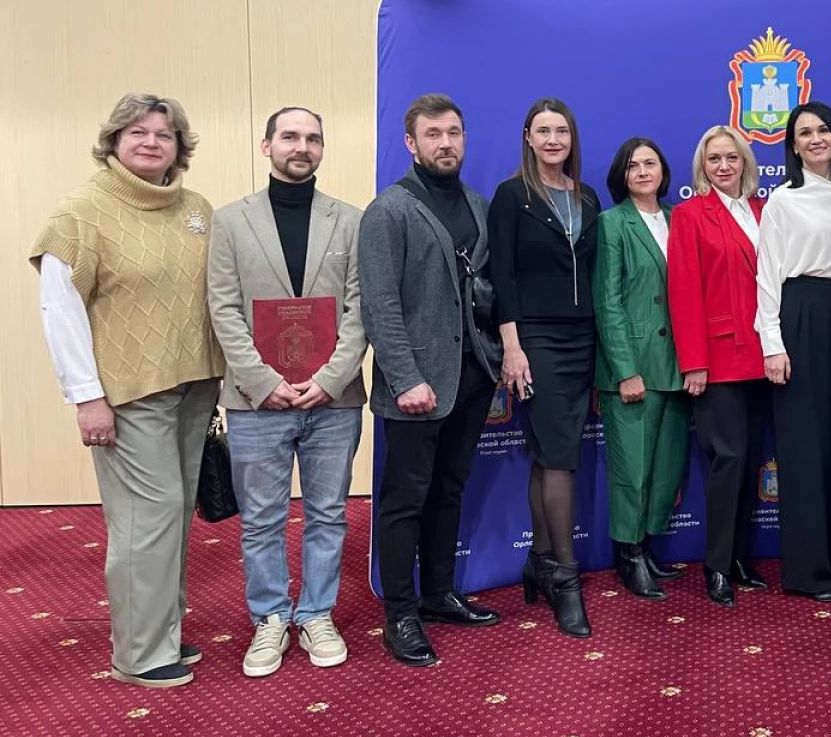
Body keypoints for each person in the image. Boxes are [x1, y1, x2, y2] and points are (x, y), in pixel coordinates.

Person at [30, 93, 224, 689]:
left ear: (179, 146)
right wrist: (86, 397)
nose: (151, 142)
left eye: (164, 134)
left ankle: (160, 630)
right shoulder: (82, 214)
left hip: (195, 385)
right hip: (128, 393)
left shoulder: (196, 209)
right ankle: (139, 655)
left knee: (175, 514)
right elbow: (60, 311)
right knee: (147, 518)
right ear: (113, 140)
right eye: (137, 131)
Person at [207, 107, 367, 677]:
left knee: (328, 514)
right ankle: (271, 617)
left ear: (322, 148)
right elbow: (223, 309)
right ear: (266, 145)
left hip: (334, 400)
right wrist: (264, 382)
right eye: (290, 137)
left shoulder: (351, 221)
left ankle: (316, 613)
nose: (302, 147)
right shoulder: (229, 222)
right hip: (257, 401)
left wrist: (328, 380)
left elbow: (360, 310)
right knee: (261, 519)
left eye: (313, 139)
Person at [360, 94, 504, 668]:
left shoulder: (478, 205)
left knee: (449, 489)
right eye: (433, 134)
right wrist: (405, 379)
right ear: (411, 143)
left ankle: (439, 594)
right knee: (405, 499)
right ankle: (400, 613)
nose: (446, 143)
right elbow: (380, 305)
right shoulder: (389, 211)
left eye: (454, 132)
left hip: (472, 375)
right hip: (416, 385)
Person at [490, 97, 602, 638]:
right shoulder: (512, 196)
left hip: (583, 338)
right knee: (560, 457)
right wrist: (512, 347)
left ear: (572, 138)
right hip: (535, 339)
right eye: (543, 131)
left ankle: (539, 560)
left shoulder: (588, 196)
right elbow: (502, 276)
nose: (553, 139)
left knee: (547, 453)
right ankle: (566, 577)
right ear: (528, 138)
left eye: (562, 130)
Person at [757, 101, 831, 601]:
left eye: (823, 129)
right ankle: (809, 571)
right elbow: (767, 276)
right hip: (800, 314)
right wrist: (772, 344)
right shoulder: (783, 200)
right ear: (794, 145)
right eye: (804, 133)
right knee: (803, 446)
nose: (815, 139)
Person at [667, 126, 770, 608]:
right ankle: (717, 565)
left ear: (745, 162)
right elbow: (684, 291)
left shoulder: (763, 210)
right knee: (727, 461)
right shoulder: (689, 215)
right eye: (714, 159)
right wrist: (694, 363)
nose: (724, 166)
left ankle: (740, 558)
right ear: (702, 167)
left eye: (732, 157)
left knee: (749, 462)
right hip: (718, 359)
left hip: (764, 357)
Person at [593, 138, 689, 601]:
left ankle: (647, 546)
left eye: (651, 163)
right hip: (633, 368)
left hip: (676, 365)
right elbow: (607, 301)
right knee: (632, 469)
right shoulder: (612, 223)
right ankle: (628, 555)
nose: (643, 171)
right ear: (622, 175)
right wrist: (625, 370)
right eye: (633, 165)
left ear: (663, 170)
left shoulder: (678, 219)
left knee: (665, 468)